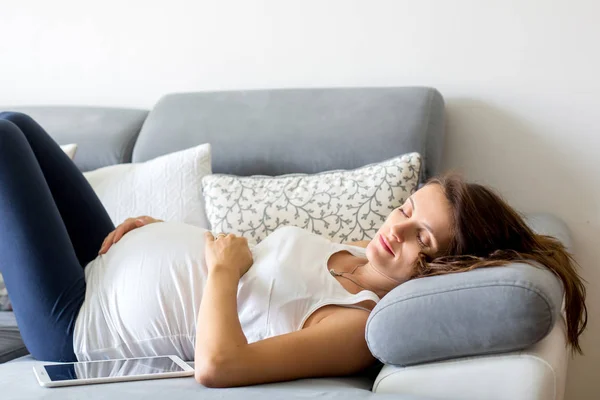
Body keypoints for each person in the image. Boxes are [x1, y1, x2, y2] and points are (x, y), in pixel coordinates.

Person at [0, 112, 587, 388]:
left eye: (422, 240)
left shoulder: (357, 328)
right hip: (108, 260)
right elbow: (252, 264)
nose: (396, 231)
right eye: (407, 211)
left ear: (449, 267)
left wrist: (222, 273)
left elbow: (219, 366)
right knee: (18, 123)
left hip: (82, 325)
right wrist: (162, 230)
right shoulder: (359, 254)